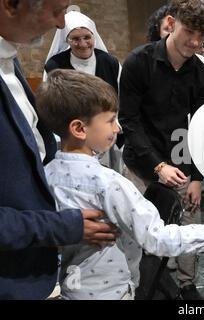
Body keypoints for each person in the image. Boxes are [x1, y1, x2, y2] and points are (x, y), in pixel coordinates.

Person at [35, 69, 204, 300]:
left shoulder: (45, 175)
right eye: (110, 121)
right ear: (79, 129)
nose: (118, 128)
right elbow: (158, 239)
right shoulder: (110, 185)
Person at [0, 0, 117, 300]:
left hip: (36, 267)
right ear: (10, 6)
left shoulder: (8, 60)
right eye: (55, 11)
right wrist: (59, 226)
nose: (60, 23)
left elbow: (32, 147)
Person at [119, 0, 204, 300]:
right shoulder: (139, 61)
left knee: (188, 225)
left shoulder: (200, 74)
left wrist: (198, 178)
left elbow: (201, 129)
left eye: (202, 37)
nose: (196, 42)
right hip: (140, 163)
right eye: (190, 32)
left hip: (181, 160)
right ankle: (134, 287)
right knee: (135, 235)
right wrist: (157, 166)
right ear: (172, 23)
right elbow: (129, 121)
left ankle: (186, 284)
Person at [43, 10, 123, 173]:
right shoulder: (55, 65)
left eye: (87, 37)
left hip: (106, 135)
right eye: (75, 39)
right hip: (72, 137)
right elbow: (51, 104)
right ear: (67, 41)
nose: (83, 43)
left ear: (94, 37)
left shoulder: (109, 62)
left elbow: (121, 96)